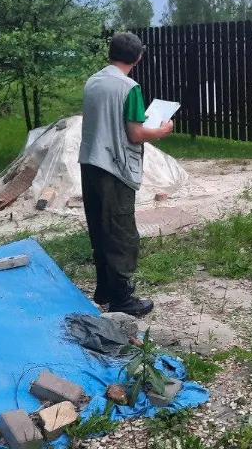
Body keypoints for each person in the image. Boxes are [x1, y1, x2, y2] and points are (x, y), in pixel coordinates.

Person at [78, 31, 173, 316]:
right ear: (139, 58)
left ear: (110, 53)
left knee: (99, 229)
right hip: (114, 168)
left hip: (89, 164)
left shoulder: (92, 81)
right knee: (120, 232)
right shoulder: (129, 88)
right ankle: (121, 299)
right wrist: (162, 130)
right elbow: (135, 133)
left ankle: (103, 291)